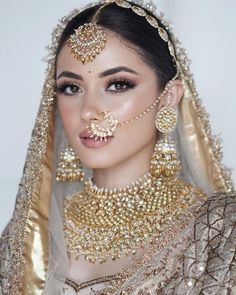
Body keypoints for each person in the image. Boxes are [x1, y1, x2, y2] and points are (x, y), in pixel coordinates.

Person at [0, 0, 236, 294]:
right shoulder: (29, 231)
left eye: (117, 85)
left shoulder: (219, 230)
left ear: (168, 97)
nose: (89, 111)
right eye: (71, 88)